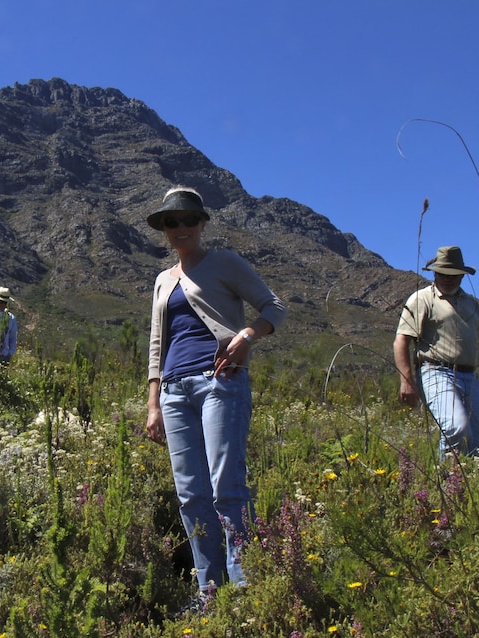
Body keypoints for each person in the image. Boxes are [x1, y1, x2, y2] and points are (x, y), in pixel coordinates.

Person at [145, 185, 287, 604]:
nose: (181, 227)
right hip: (173, 391)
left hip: (219, 382)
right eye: (173, 221)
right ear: (165, 229)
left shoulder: (223, 262)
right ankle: (211, 592)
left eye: (189, 219)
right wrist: (153, 402)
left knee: (226, 485)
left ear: (203, 223)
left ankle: (244, 592)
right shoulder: (161, 281)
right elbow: (157, 343)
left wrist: (247, 335)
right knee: (190, 494)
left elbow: (274, 307)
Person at [393, 246, 479, 464]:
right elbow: (401, 341)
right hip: (436, 372)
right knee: (455, 426)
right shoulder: (422, 299)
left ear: (462, 276)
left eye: (453, 274)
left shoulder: (472, 305)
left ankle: (478, 489)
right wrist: (406, 381)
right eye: (443, 273)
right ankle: (448, 484)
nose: (448, 279)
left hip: (470, 377)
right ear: (435, 273)